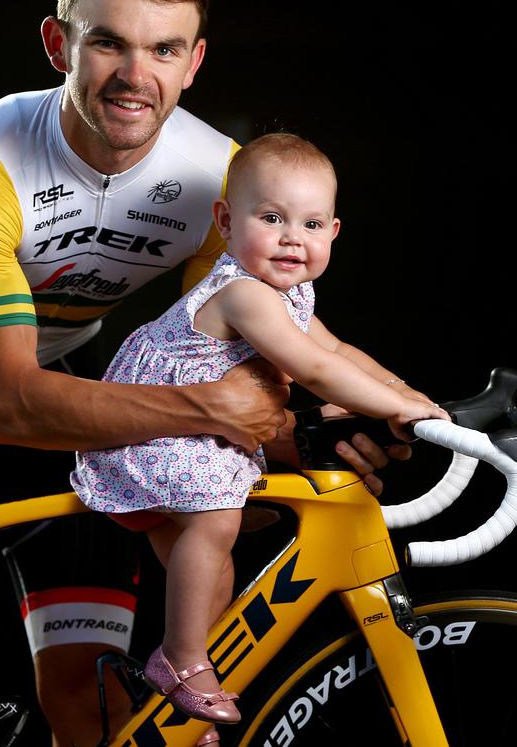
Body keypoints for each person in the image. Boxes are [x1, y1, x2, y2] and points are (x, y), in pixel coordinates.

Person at [0, 0, 411, 747]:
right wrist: (216, 410)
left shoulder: (219, 179)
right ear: (58, 44)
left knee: (95, 699)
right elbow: (11, 404)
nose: (135, 75)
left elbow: (253, 359)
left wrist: (327, 428)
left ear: (194, 62)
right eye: (108, 42)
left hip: (70, 360)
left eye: (163, 49)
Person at [71, 133, 450, 739]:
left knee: (213, 568)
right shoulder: (244, 293)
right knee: (217, 521)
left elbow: (340, 350)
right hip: (155, 430)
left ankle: (182, 709)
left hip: (201, 438)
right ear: (226, 221)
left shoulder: (292, 293)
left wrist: (410, 398)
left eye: (311, 223)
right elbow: (317, 370)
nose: (291, 237)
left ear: (333, 233)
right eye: (271, 218)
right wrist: (393, 408)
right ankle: (178, 661)